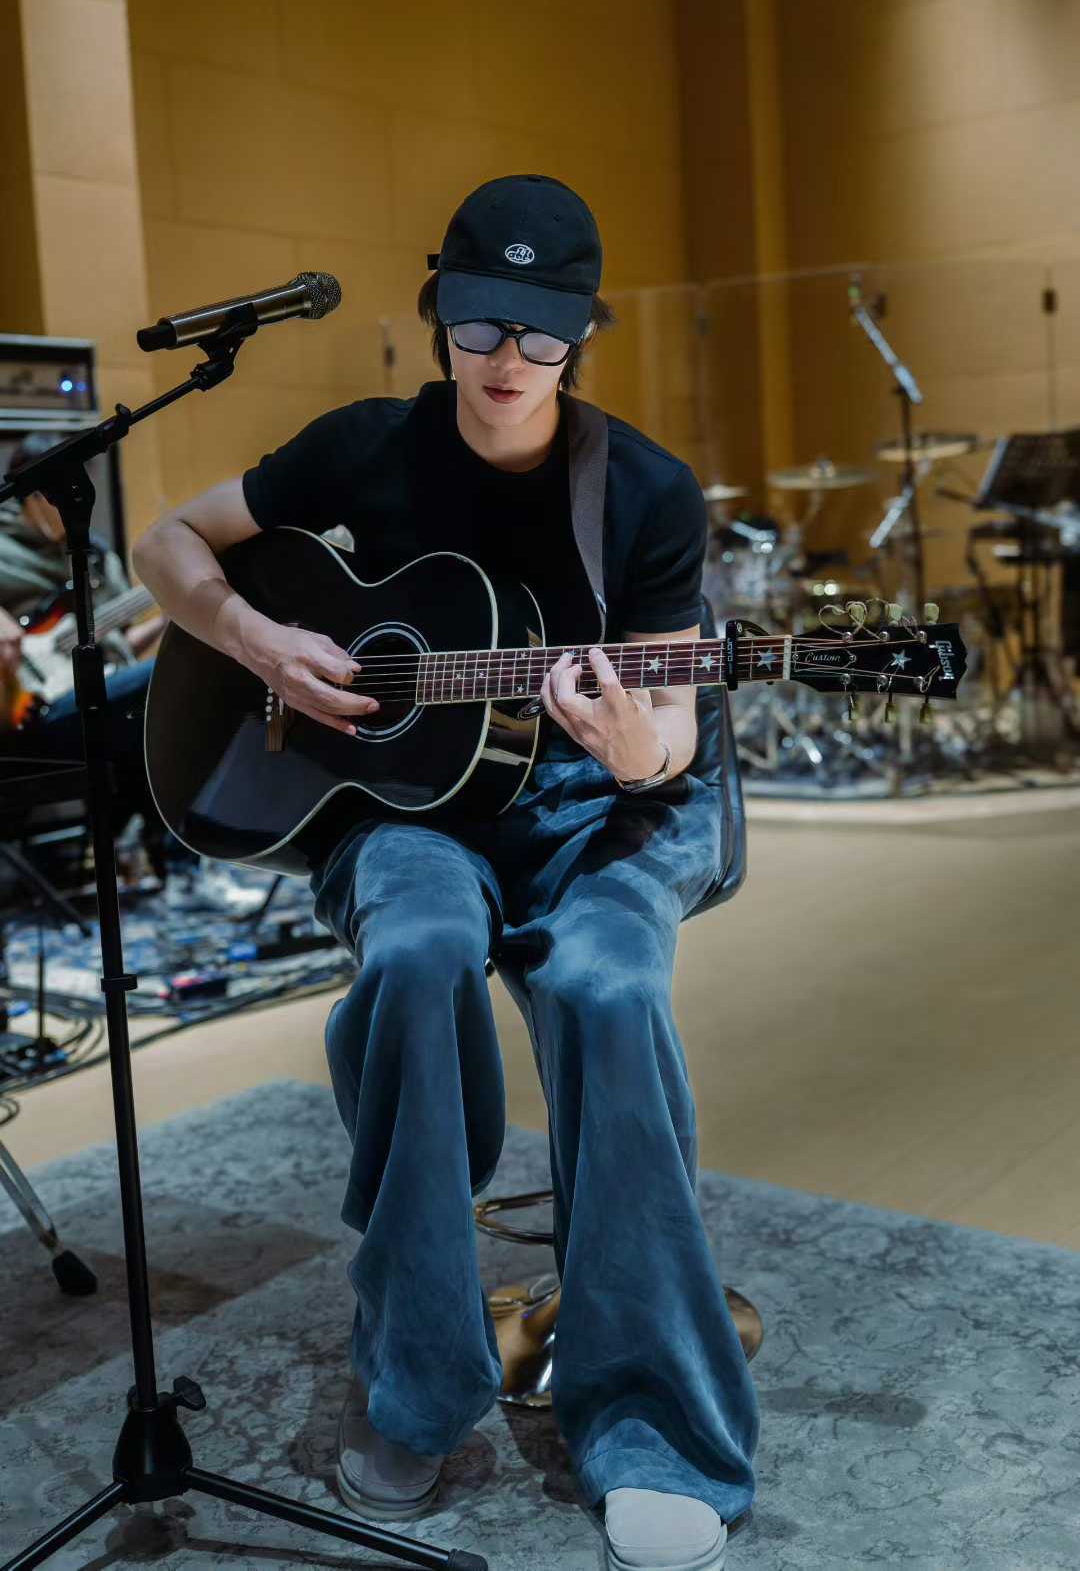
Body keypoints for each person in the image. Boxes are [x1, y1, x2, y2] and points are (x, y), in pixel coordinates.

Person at [132, 174, 758, 1571]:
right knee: (416, 960)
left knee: (605, 992)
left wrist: (636, 747)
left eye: (539, 334)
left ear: (581, 332)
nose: (506, 362)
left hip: (596, 807)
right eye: (479, 325)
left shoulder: (642, 491)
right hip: (410, 811)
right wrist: (258, 639)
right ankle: (416, 1375)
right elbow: (164, 543)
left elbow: (670, 730)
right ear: (439, 315)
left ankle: (655, 1424)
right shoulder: (363, 448)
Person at [0, 433, 179, 877]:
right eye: (51, 492)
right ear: (30, 497)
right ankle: (168, 860)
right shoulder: (4, 550)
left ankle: (162, 855)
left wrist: (169, 618)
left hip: (94, 691)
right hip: (29, 711)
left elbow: (120, 649)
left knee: (161, 691)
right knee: (162, 685)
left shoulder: (94, 554)